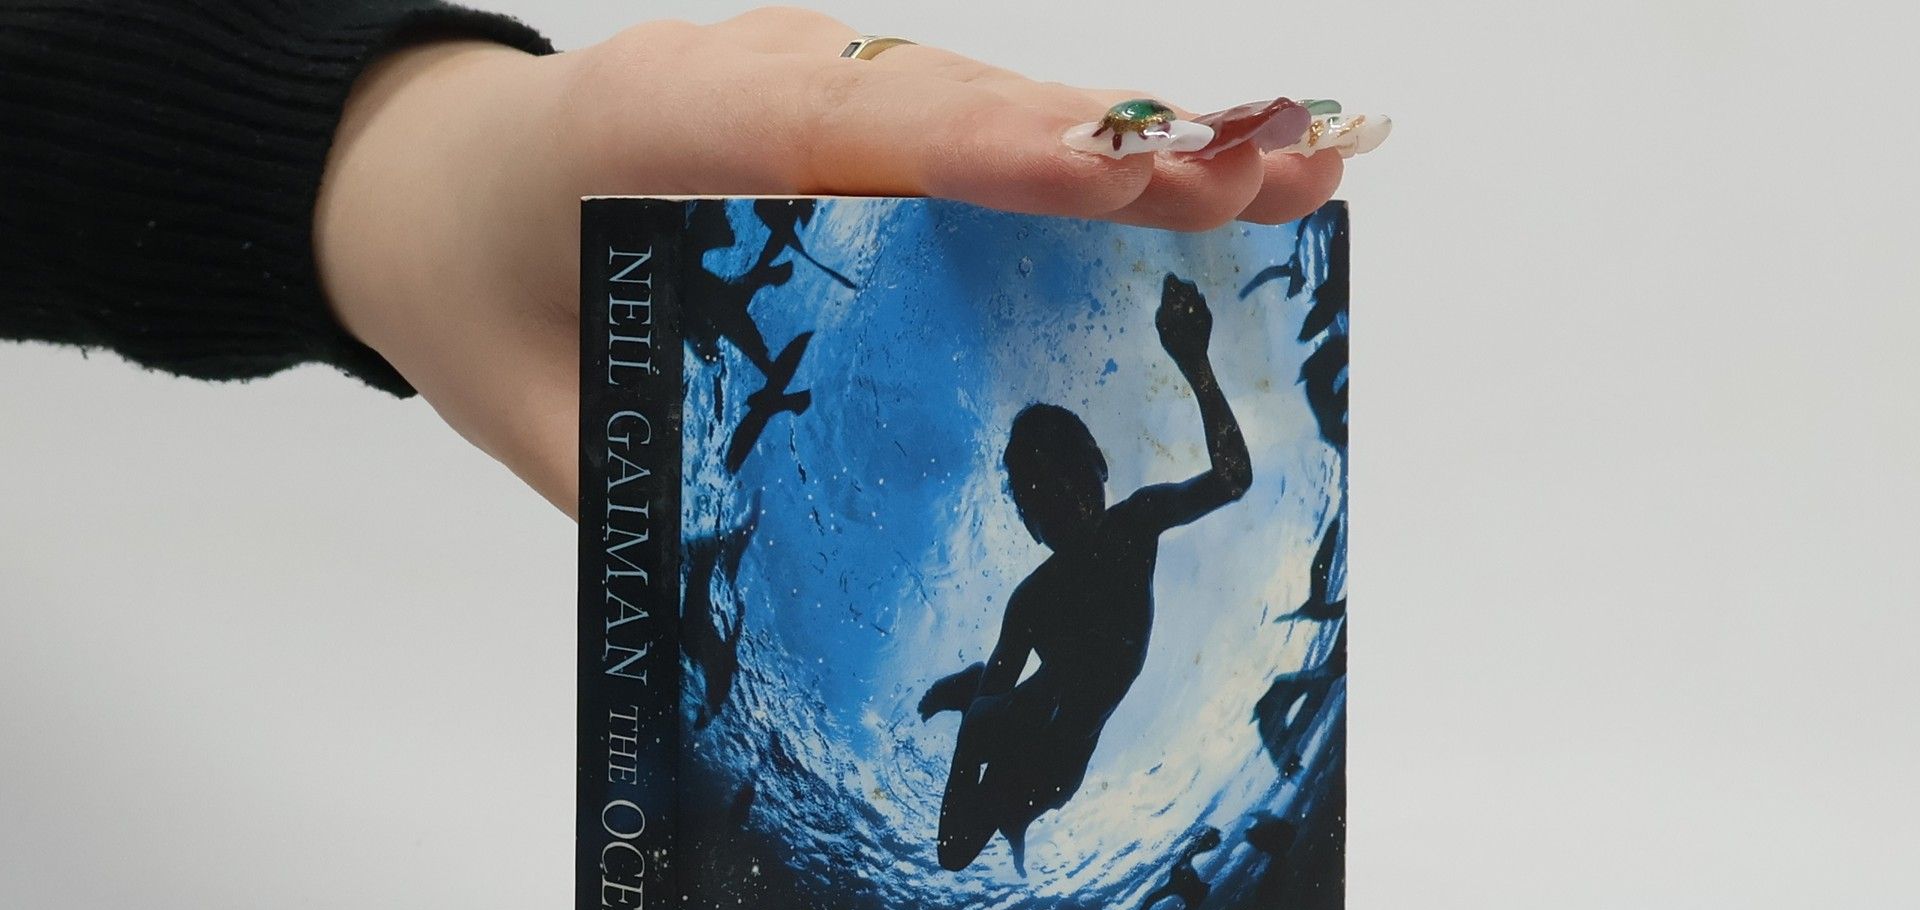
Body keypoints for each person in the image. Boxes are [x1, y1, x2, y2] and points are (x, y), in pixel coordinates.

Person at [0, 5, 1346, 516]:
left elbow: (1232, 481)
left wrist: (394, 160)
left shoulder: (1107, 544)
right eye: (1033, 478)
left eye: (1042, 478)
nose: (1040, 494)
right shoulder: (1059, 582)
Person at [918, 273, 1251, 872]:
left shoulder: (1137, 521)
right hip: (1021, 734)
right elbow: (953, 844)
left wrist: (1196, 364)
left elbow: (1232, 481)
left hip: (1063, 761)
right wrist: (985, 718)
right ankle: (976, 696)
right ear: (1029, 525)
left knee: (1036, 798)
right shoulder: (1030, 602)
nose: (1063, 498)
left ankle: (978, 696)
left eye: (1067, 470)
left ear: (1098, 463)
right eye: (1038, 493)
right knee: (956, 849)